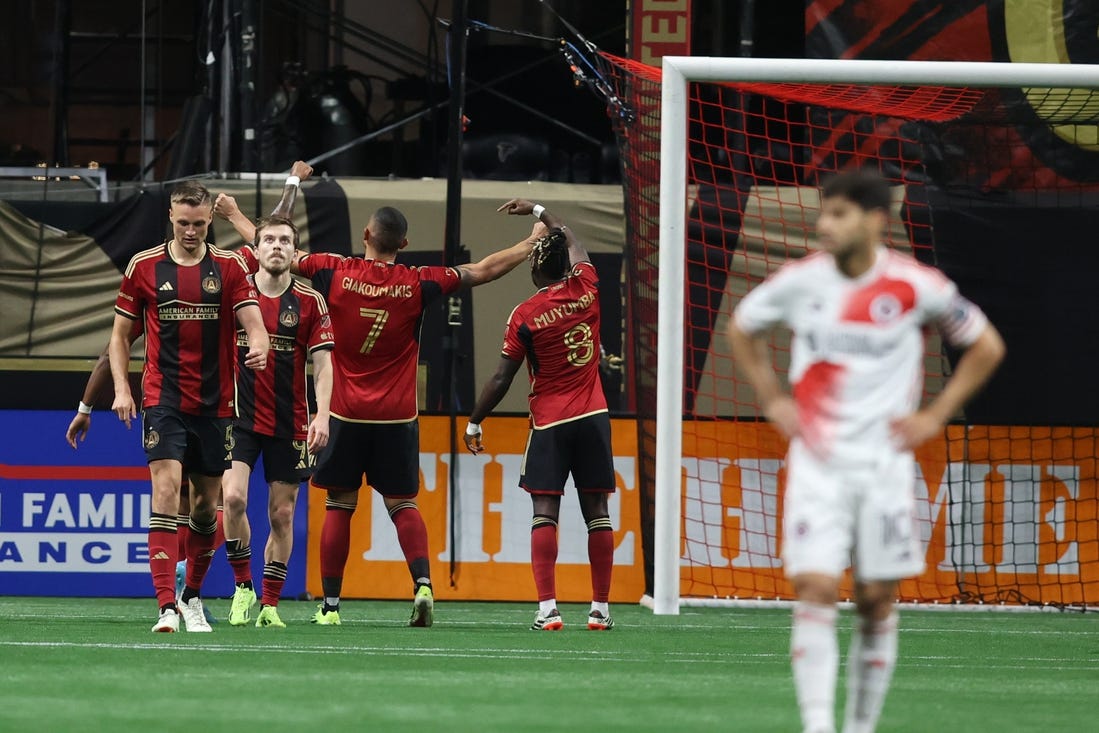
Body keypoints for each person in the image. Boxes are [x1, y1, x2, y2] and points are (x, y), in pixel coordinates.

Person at [726, 169, 1005, 733]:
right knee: (817, 586)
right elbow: (742, 328)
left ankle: (859, 726)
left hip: (884, 466)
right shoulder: (799, 282)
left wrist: (935, 415)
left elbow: (986, 346)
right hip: (818, 463)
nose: (824, 225)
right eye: (823, 213)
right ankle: (817, 726)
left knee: (876, 600)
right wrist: (773, 399)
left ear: (876, 220)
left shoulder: (915, 285)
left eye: (839, 214)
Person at [293, 205, 545, 627]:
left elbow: (273, 252)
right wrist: (530, 242)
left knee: (339, 503)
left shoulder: (333, 270)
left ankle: (331, 607)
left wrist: (232, 214)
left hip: (346, 413)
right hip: (397, 417)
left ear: (367, 235)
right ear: (404, 245)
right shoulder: (419, 281)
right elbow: (482, 270)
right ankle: (424, 584)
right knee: (403, 503)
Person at [110, 180, 270, 633]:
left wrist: (258, 345)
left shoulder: (230, 267)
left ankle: (192, 596)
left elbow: (254, 325)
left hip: (217, 404)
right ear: (170, 218)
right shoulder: (143, 266)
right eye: (183, 223)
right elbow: (120, 337)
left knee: (204, 508)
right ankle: (165, 607)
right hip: (163, 398)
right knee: (164, 491)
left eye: (200, 224)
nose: (191, 231)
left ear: (209, 222)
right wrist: (123, 389)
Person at [462, 199, 616, 632]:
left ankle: (548, 609)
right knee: (598, 512)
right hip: (594, 417)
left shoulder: (525, 315)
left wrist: (475, 420)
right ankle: (600, 610)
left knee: (545, 511)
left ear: (534, 270)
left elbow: (500, 378)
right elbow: (571, 236)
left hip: (550, 422)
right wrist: (537, 209)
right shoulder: (587, 284)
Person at [217, 215, 334, 628]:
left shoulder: (309, 301)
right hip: (238, 418)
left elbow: (322, 365)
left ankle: (269, 605)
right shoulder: (235, 294)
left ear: (293, 250)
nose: (277, 246)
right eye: (269, 239)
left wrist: (322, 414)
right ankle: (242, 586)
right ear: (258, 247)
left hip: (290, 422)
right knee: (232, 499)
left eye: (285, 240)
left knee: (282, 515)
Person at [65, 322, 221, 625]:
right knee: (174, 495)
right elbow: (112, 350)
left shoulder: (221, 296)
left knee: (208, 503)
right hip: (166, 410)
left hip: (213, 410)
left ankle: (189, 592)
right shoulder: (153, 298)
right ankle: (174, 597)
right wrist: (85, 408)